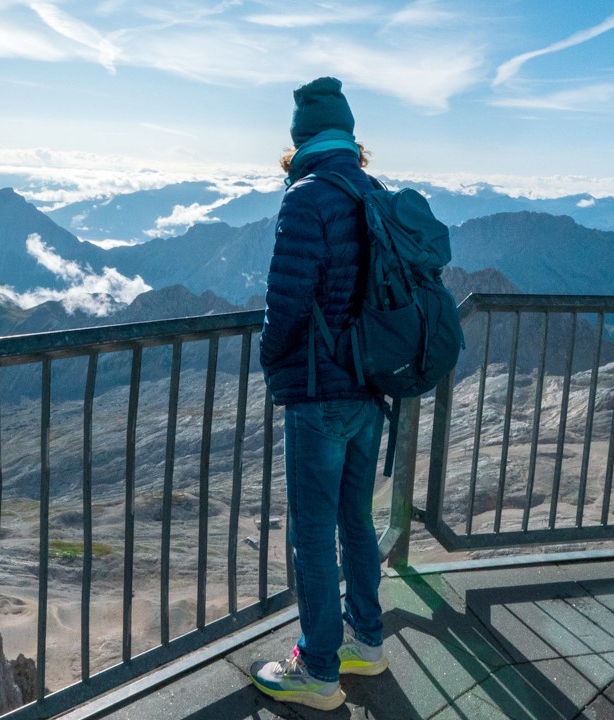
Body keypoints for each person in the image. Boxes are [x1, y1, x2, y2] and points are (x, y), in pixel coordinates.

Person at [250, 76, 389, 711]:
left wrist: (269, 359)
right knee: (356, 521)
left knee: (311, 532)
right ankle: (368, 640)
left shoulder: (306, 197)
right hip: (371, 389)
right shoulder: (372, 190)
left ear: (301, 138)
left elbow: (286, 302)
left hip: (319, 392)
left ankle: (319, 672)